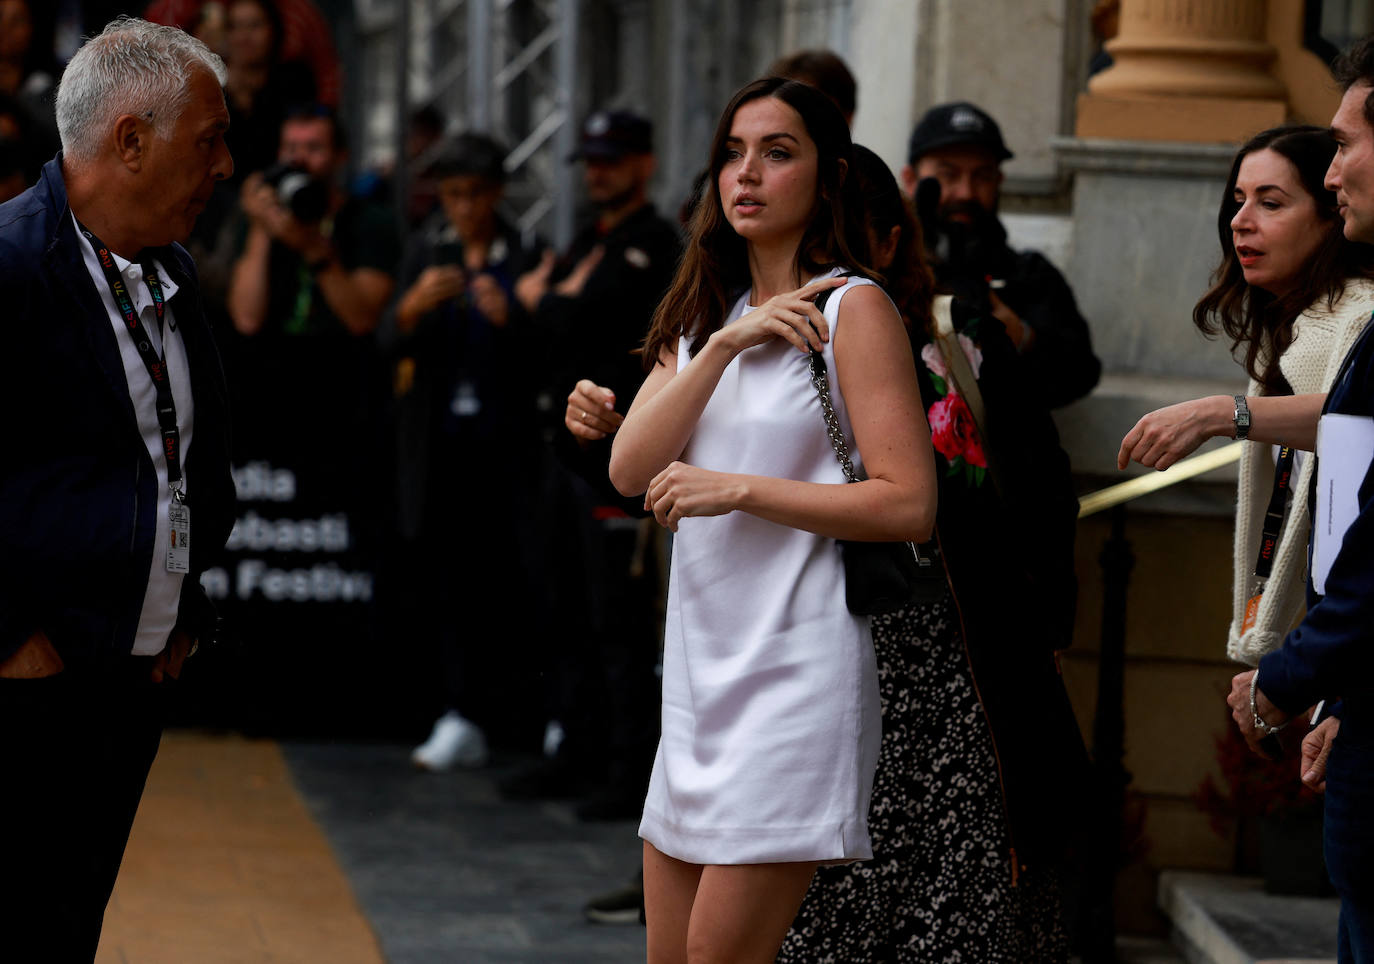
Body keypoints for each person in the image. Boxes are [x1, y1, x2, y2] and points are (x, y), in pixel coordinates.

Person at [608, 77, 936, 963]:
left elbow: (910, 503)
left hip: (798, 674)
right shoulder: (705, 317)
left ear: (826, 176)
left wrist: (739, 489)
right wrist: (719, 346)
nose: (747, 174)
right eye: (732, 153)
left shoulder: (852, 308)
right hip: (699, 679)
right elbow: (631, 468)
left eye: (778, 152)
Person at [779, 145, 1088, 963]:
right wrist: (598, 418)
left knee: (958, 899)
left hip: (959, 671)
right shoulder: (758, 351)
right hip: (813, 666)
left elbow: (1044, 488)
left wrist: (1047, 627)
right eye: (809, 243)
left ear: (888, 244)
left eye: (845, 242)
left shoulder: (961, 341)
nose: (825, 266)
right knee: (823, 907)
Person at [0, 17, 236, 960]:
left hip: (128, 673)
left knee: (67, 927)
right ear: (130, 139)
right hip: (28, 679)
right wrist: (9, 634)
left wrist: (183, 609)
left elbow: (180, 458)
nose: (225, 167)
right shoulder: (13, 265)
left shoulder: (169, 268)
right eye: (209, 140)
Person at [1118, 126, 1374, 670]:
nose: (1240, 221)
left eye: (1271, 202)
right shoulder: (1299, 325)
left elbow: (1357, 415)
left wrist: (1220, 413)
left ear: (1331, 215)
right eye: (1238, 201)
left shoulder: (1357, 314)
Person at [1224, 36, 1374, 963]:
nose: (1338, 167)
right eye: (1237, 201)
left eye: (1346, 144)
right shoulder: (1313, 339)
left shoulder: (1359, 323)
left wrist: (1292, 679)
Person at [499, 109, 679, 813]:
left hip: (618, 453)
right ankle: (573, 750)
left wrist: (553, 302)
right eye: (592, 160)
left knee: (616, 618)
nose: (599, 172)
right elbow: (541, 320)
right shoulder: (586, 241)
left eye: (613, 159)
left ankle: (626, 767)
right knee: (564, 605)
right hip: (564, 451)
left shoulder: (653, 243)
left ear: (644, 164)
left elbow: (577, 318)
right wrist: (553, 302)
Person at [391, 133, 548, 770]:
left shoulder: (528, 254)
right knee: (450, 581)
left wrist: (514, 317)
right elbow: (386, 339)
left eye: (473, 194)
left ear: (496, 193)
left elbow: (549, 353)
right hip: (441, 448)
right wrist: (411, 308)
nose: (462, 208)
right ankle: (458, 711)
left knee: (516, 580)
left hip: (508, 450)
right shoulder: (427, 251)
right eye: (451, 195)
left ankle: (523, 717)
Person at [900, 101, 1101, 408]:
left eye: (981, 176)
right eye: (948, 175)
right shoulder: (887, 269)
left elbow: (1081, 371)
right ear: (911, 180)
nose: (966, 192)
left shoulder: (1029, 275)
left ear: (998, 182)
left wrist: (1023, 338)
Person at [227, 103, 399, 337]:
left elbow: (362, 320)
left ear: (340, 156)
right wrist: (261, 226)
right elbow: (247, 320)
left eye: (313, 148)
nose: (298, 159)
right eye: (290, 148)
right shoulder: (263, 218)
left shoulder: (371, 221)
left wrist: (311, 247)